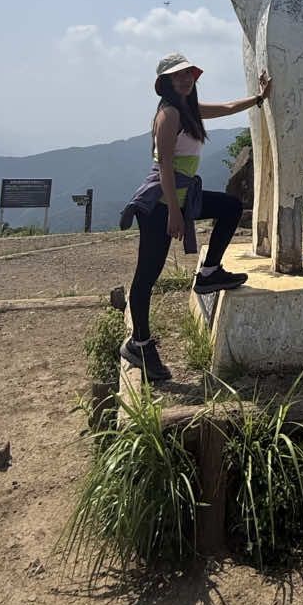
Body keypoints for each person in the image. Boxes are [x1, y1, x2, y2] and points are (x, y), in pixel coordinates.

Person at [119, 52, 271, 382]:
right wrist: (174, 211)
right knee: (148, 273)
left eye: (189, 75)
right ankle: (139, 343)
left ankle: (209, 273)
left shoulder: (189, 110)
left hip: (186, 197)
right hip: (162, 201)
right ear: (166, 84)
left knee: (230, 207)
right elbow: (164, 169)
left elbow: (229, 107)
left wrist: (260, 97)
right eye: (178, 77)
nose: (186, 80)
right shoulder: (170, 114)